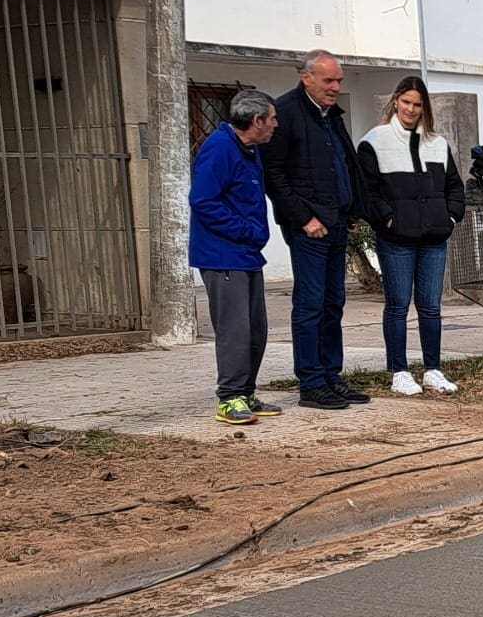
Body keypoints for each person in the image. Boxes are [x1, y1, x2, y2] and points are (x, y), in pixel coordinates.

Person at [262, 49, 369, 411]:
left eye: (339, 80)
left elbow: (346, 164)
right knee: (310, 305)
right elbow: (273, 175)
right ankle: (311, 382)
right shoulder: (286, 113)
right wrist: (304, 218)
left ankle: (331, 377)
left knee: (333, 303)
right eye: (329, 80)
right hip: (310, 229)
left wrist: (353, 210)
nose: (336, 86)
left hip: (337, 223)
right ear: (307, 77)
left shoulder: (331, 115)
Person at [357, 75, 467, 396]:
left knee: (431, 306)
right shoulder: (374, 141)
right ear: (396, 102)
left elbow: (454, 187)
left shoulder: (438, 144)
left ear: (424, 108)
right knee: (397, 305)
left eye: (417, 104)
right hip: (396, 240)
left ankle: (433, 368)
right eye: (406, 102)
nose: (411, 109)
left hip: (433, 238)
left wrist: (449, 217)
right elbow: (367, 191)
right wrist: (388, 221)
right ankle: (399, 371)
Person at [189, 89, 282, 426]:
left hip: (246, 255)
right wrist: (244, 229)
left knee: (256, 329)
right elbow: (203, 201)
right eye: (271, 119)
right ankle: (229, 397)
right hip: (223, 255)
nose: (275, 125)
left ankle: (246, 391)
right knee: (235, 331)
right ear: (255, 120)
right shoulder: (220, 149)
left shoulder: (250, 149)